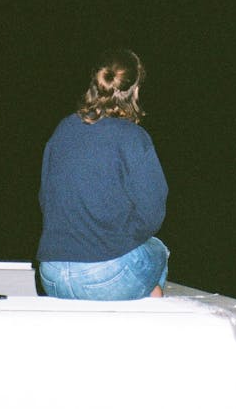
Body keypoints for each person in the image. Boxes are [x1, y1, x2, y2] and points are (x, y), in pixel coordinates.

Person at [36, 48, 169, 299]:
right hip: (102, 276)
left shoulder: (63, 129)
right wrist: (118, 239)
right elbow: (152, 215)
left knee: (136, 258)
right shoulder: (133, 138)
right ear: (135, 89)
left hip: (51, 273)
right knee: (158, 251)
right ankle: (148, 320)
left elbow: (46, 199)